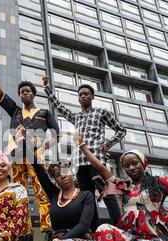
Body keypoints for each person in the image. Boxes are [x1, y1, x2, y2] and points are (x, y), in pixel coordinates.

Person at [14, 125, 99, 241]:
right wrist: (24, 144)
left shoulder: (86, 195)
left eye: (65, 171)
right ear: (55, 178)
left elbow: (84, 226)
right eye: (57, 174)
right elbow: (37, 167)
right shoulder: (54, 194)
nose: (62, 175)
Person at [0, 56, 60, 241]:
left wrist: (44, 147)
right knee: (20, 197)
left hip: (37, 158)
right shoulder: (16, 112)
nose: (24, 93)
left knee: (42, 193)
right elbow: (0, 91)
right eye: (21, 92)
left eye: (27, 91)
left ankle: (48, 234)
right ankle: (25, 239)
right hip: (17, 157)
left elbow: (56, 135)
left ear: (33, 94)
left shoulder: (44, 113)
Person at [43, 76, 126, 225]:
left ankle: (119, 228)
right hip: (79, 164)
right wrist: (47, 89)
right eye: (80, 94)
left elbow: (121, 130)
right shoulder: (76, 117)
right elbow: (59, 106)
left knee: (107, 193)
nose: (83, 96)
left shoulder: (101, 112)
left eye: (86, 93)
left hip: (96, 160)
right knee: (87, 198)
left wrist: (108, 143)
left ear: (92, 96)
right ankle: (93, 231)